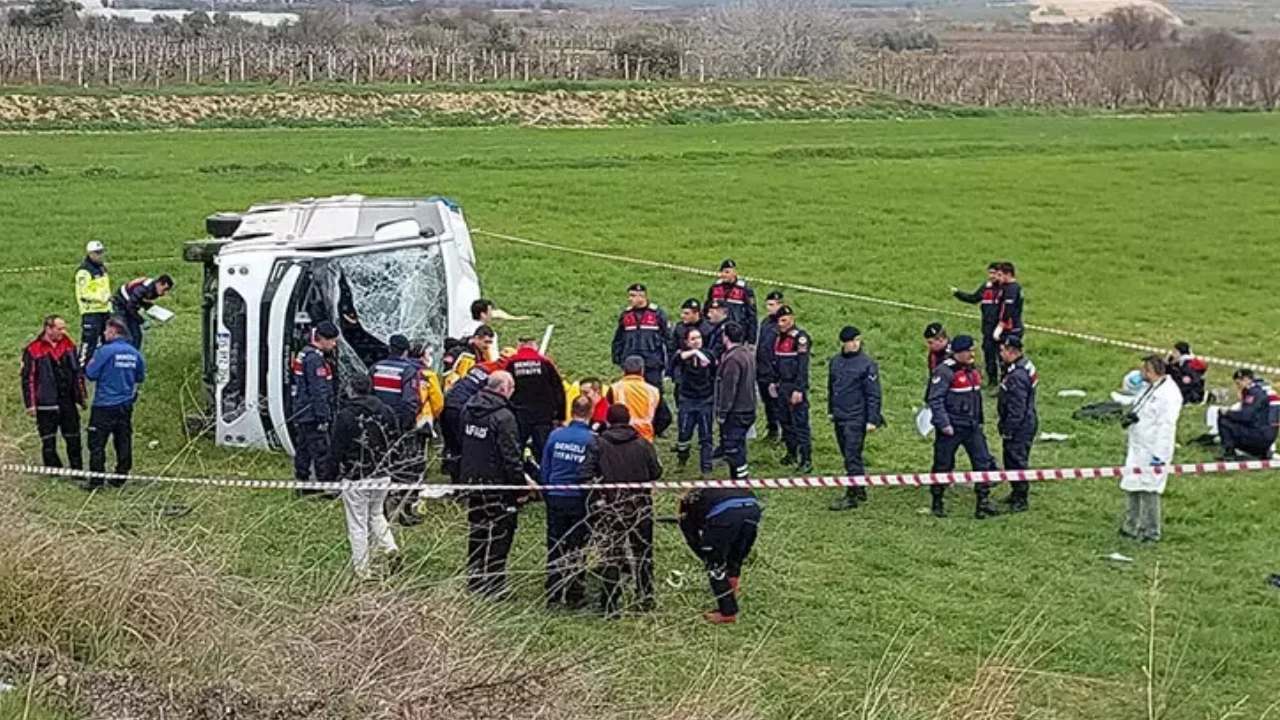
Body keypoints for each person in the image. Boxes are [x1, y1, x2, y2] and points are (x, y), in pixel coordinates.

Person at [580, 403, 663, 617]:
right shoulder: (643, 444)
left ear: (608, 421)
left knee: (611, 555)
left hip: (611, 507)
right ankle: (645, 596)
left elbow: (584, 474)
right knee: (643, 553)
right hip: (640, 506)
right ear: (628, 420)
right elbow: (656, 472)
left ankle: (609, 603)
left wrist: (599, 495)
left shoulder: (598, 444)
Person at [325, 373, 401, 580]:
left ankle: (363, 571)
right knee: (377, 514)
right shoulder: (387, 411)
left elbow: (336, 449)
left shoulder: (346, 415)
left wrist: (329, 477)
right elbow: (396, 441)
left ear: (350, 390)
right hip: (383, 473)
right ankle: (390, 547)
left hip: (356, 476)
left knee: (357, 524)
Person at [459, 371, 527, 598]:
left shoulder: (468, 408)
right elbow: (511, 455)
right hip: (498, 485)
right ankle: (496, 583)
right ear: (503, 389)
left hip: (472, 480)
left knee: (477, 530)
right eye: (512, 387)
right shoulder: (504, 417)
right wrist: (519, 487)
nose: (514, 391)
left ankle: (474, 577)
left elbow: (462, 441)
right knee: (501, 533)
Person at [926, 334, 1000, 519]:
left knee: (982, 462)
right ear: (958, 353)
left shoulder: (972, 370)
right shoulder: (944, 372)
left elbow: (975, 398)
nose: (972, 354)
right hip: (952, 427)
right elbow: (935, 399)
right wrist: (944, 424)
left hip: (972, 426)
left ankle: (982, 502)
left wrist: (979, 420)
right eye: (969, 351)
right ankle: (937, 500)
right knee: (943, 464)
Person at [540, 396, 598, 610]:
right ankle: (575, 593)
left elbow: (545, 468)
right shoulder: (592, 440)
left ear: (571, 411)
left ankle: (553, 593)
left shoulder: (555, 435)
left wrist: (547, 491)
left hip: (555, 496)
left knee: (555, 544)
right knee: (578, 546)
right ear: (590, 413)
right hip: (579, 499)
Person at [1120, 356, 1183, 543]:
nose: (1141, 374)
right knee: (1131, 485)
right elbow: (1129, 388)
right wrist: (1132, 380)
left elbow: (1167, 427)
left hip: (1153, 448)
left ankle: (1151, 532)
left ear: (1152, 371)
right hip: (1139, 445)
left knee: (1149, 489)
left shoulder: (1169, 395)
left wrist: (1159, 455)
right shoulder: (1149, 386)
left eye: (1144, 371)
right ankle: (1130, 526)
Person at [678, 487, 760, 625]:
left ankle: (728, 612)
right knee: (736, 557)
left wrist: (707, 555)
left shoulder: (687, 504)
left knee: (715, 565)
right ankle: (730, 592)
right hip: (752, 508)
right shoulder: (712, 489)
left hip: (726, 514)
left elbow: (691, 536)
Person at [82, 319, 145, 489]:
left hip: (104, 404)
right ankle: (120, 476)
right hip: (125, 404)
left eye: (106, 331)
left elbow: (91, 373)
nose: (103, 334)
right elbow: (140, 377)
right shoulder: (135, 353)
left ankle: (96, 480)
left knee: (96, 443)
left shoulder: (105, 351)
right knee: (123, 440)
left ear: (113, 332)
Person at [826, 326, 883, 511]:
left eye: (858, 340)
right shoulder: (835, 362)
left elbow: (873, 393)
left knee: (852, 456)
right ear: (844, 342)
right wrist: (831, 410)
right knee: (846, 454)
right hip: (840, 415)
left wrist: (872, 419)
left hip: (856, 418)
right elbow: (831, 387)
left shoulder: (867, 364)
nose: (856, 344)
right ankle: (859, 488)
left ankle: (852, 495)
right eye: (852, 340)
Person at [370, 334, 425, 523]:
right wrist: (407, 426)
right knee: (405, 469)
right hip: (400, 427)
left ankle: (380, 508)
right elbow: (410, 401)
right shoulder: (408, 370)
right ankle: (403, 510)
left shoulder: (376, 368)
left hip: (378, 425)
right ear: (405, 351)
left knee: (382, 466)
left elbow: (371, 396)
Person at [21, 315, 86, 470]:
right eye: (59, 329)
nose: (63, 332)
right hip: (46, 401)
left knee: (73, 437)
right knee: (48, 439)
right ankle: (53, 468)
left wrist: (81, 397)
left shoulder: (69, 346)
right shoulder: (33, 349)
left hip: (67, 400)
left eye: (64, 328)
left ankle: (77, 468)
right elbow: (28, 378)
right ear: (48, 329)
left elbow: (77, 373)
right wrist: (31, 403)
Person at [611, 283, 672, 436]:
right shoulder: (626, 315)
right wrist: (618, 357)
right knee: (631, 394)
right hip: (630, 363)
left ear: (642, 296)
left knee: (655, 395)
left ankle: (658, 425)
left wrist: (667, 361)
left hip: (652, 363)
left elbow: (668, 338)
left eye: (632, 296)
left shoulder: (657, 314)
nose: (629, 299)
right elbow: (619, 338)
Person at [292, 321, 340, 489]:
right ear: (322, 339)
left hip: (303, 410)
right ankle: (325, 486)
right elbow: (318, 390)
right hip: (313, 412)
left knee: (304, 448)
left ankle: (303, 480)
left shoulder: (304, 353)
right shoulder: (315, 360)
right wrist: (323, 416)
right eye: (332, 341)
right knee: (321, 450)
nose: (334, 345)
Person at [503, 336, 566, 459]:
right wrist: (561, 415)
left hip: (519, 416)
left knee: (516, 451)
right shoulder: (545, 363)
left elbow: (503, 388)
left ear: (519, 347)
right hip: (543, 417)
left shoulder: (510, 364)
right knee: (544, 453)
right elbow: (559, 390)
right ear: (534, 346)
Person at [440, 357, 501, 482]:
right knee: (466, 445)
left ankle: (454, 478)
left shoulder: (481, 366)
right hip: (460, 408)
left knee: (452, 445)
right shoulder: (497, 376)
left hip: (447, 402)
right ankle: (464, 482)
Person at [997, 336, 1039, 513]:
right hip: (1026, 421)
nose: (1000, 354)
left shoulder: (1017, 375)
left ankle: (1020, 499)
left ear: (1011, 351)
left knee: (1016, 461)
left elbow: (1017, 408)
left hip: (1020, 425)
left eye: (1003, 350)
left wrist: (1009, 429)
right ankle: (1016, 493)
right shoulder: (1025, 365)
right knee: (1013, 459)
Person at [771, 306, 813, 473]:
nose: (781, 324)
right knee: (785, 421)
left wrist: (799, 389)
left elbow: (803, 367)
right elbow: (776, 362)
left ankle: (806, 459)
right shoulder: (778, 338)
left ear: (792, 319)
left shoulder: (800, 338)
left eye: (784, 320)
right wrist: (774, 382)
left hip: (794, 386)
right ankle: (791, 452)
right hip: (782, 385)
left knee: (800, 424)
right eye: (779, 321)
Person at [715, 322, 757, 480]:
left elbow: (729, 388)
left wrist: (723, 412)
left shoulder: (732, 359)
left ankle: (740, 481)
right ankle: (740, 478)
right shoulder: (747, 353)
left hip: (737, 411)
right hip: (748, 407)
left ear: (725, 337)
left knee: (734, 450)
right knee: (739, 445)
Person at [674, 327, 716, 476]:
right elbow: (675, 361)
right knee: (684, 433)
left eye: (699, 337)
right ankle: (682, 458)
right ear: (686, 342)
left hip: (705, 400)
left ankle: (706, 468)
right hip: (687, 400)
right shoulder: (683, 356)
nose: (697, 341)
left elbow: (714, 370)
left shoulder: (709, 355)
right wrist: (693, 352)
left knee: (706, 436)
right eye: (693, 339)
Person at [951, 263, 1002, 384]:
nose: (991, 276)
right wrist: (958, 293)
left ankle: (1006, 382)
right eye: (990, 273)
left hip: (1001, 328)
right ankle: (992, 381)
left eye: (994, 273)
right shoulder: (986, 287)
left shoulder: (1005, 289)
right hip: (987, 328)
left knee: (1002, 356)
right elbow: (974, 298)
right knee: (989, 355)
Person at [1214, 369, 1278, 460]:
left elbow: (1246, 416)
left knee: (1224, 420)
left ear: (1246, 380)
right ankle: (1263, 452)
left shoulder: (1254, 392)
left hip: (1259, 436)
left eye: (1238, 384)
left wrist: (1227, 412)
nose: (1238, 387)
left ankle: (1229, 452)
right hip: (1270, 437)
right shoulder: (1266, 389)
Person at [111, 275, 174, 351]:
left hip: (130, 306)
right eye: (165, 289)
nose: (165, 293)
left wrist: (154, 312)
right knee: (123, 332)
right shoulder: (143, 289)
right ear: (159, 284)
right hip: (119, 305)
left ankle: (134, 356)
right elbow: (131, 306)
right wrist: (142, 320)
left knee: (137, 335)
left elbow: (141, 301)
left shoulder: (154, 290)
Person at [608, 356, 662, 442]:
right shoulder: (653, 391)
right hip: (645, 437)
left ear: (624, 370)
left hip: (620, 437)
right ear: (642, 370)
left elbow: (608, 413)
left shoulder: (615, 388)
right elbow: (664, 417)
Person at [75, 240, 111, 365]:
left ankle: (101, 365)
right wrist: (101, 298)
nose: (100, 255)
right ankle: (81, 368)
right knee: (89, 342)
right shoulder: (84, 271)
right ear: (90, 254)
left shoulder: (102, 268)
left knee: (106, 340)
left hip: (105, 310)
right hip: (91, 311)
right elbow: (84, 293)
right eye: (97, 253)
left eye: (101, 252)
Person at [706, 259, 758, 345]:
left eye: (727, 272)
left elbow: (752, 315)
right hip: (717, 331)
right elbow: (707, 309)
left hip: (737, 333)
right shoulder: (715, 287)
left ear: (734, 273)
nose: (724, 275)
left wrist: (751, 340)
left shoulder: (744, 289)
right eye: (722, 272)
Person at [756, 290, 785, 443]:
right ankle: (772, 429)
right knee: (767, 402)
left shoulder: (783, 325)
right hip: (762, 369)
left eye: (772, 305)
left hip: (775, 371)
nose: (769, 308)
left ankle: (785, 433)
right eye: (767, 305)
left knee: (779, 404)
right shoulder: (765, 322)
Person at [446, 326, 496, 390]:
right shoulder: (461, 353)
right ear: (476, 338)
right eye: (486, 342)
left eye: (490, 343)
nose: (488, 346)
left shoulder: (484, 352)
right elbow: (447, 373)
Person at [995, 262, 1024, 346]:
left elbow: (1008, 308)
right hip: (1011, 326)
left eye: (1000, 275)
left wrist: (1001, 325)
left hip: (1011, 327)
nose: (998, 278)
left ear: (1008, 274)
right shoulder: (1010, 287)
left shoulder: (1011, 289)